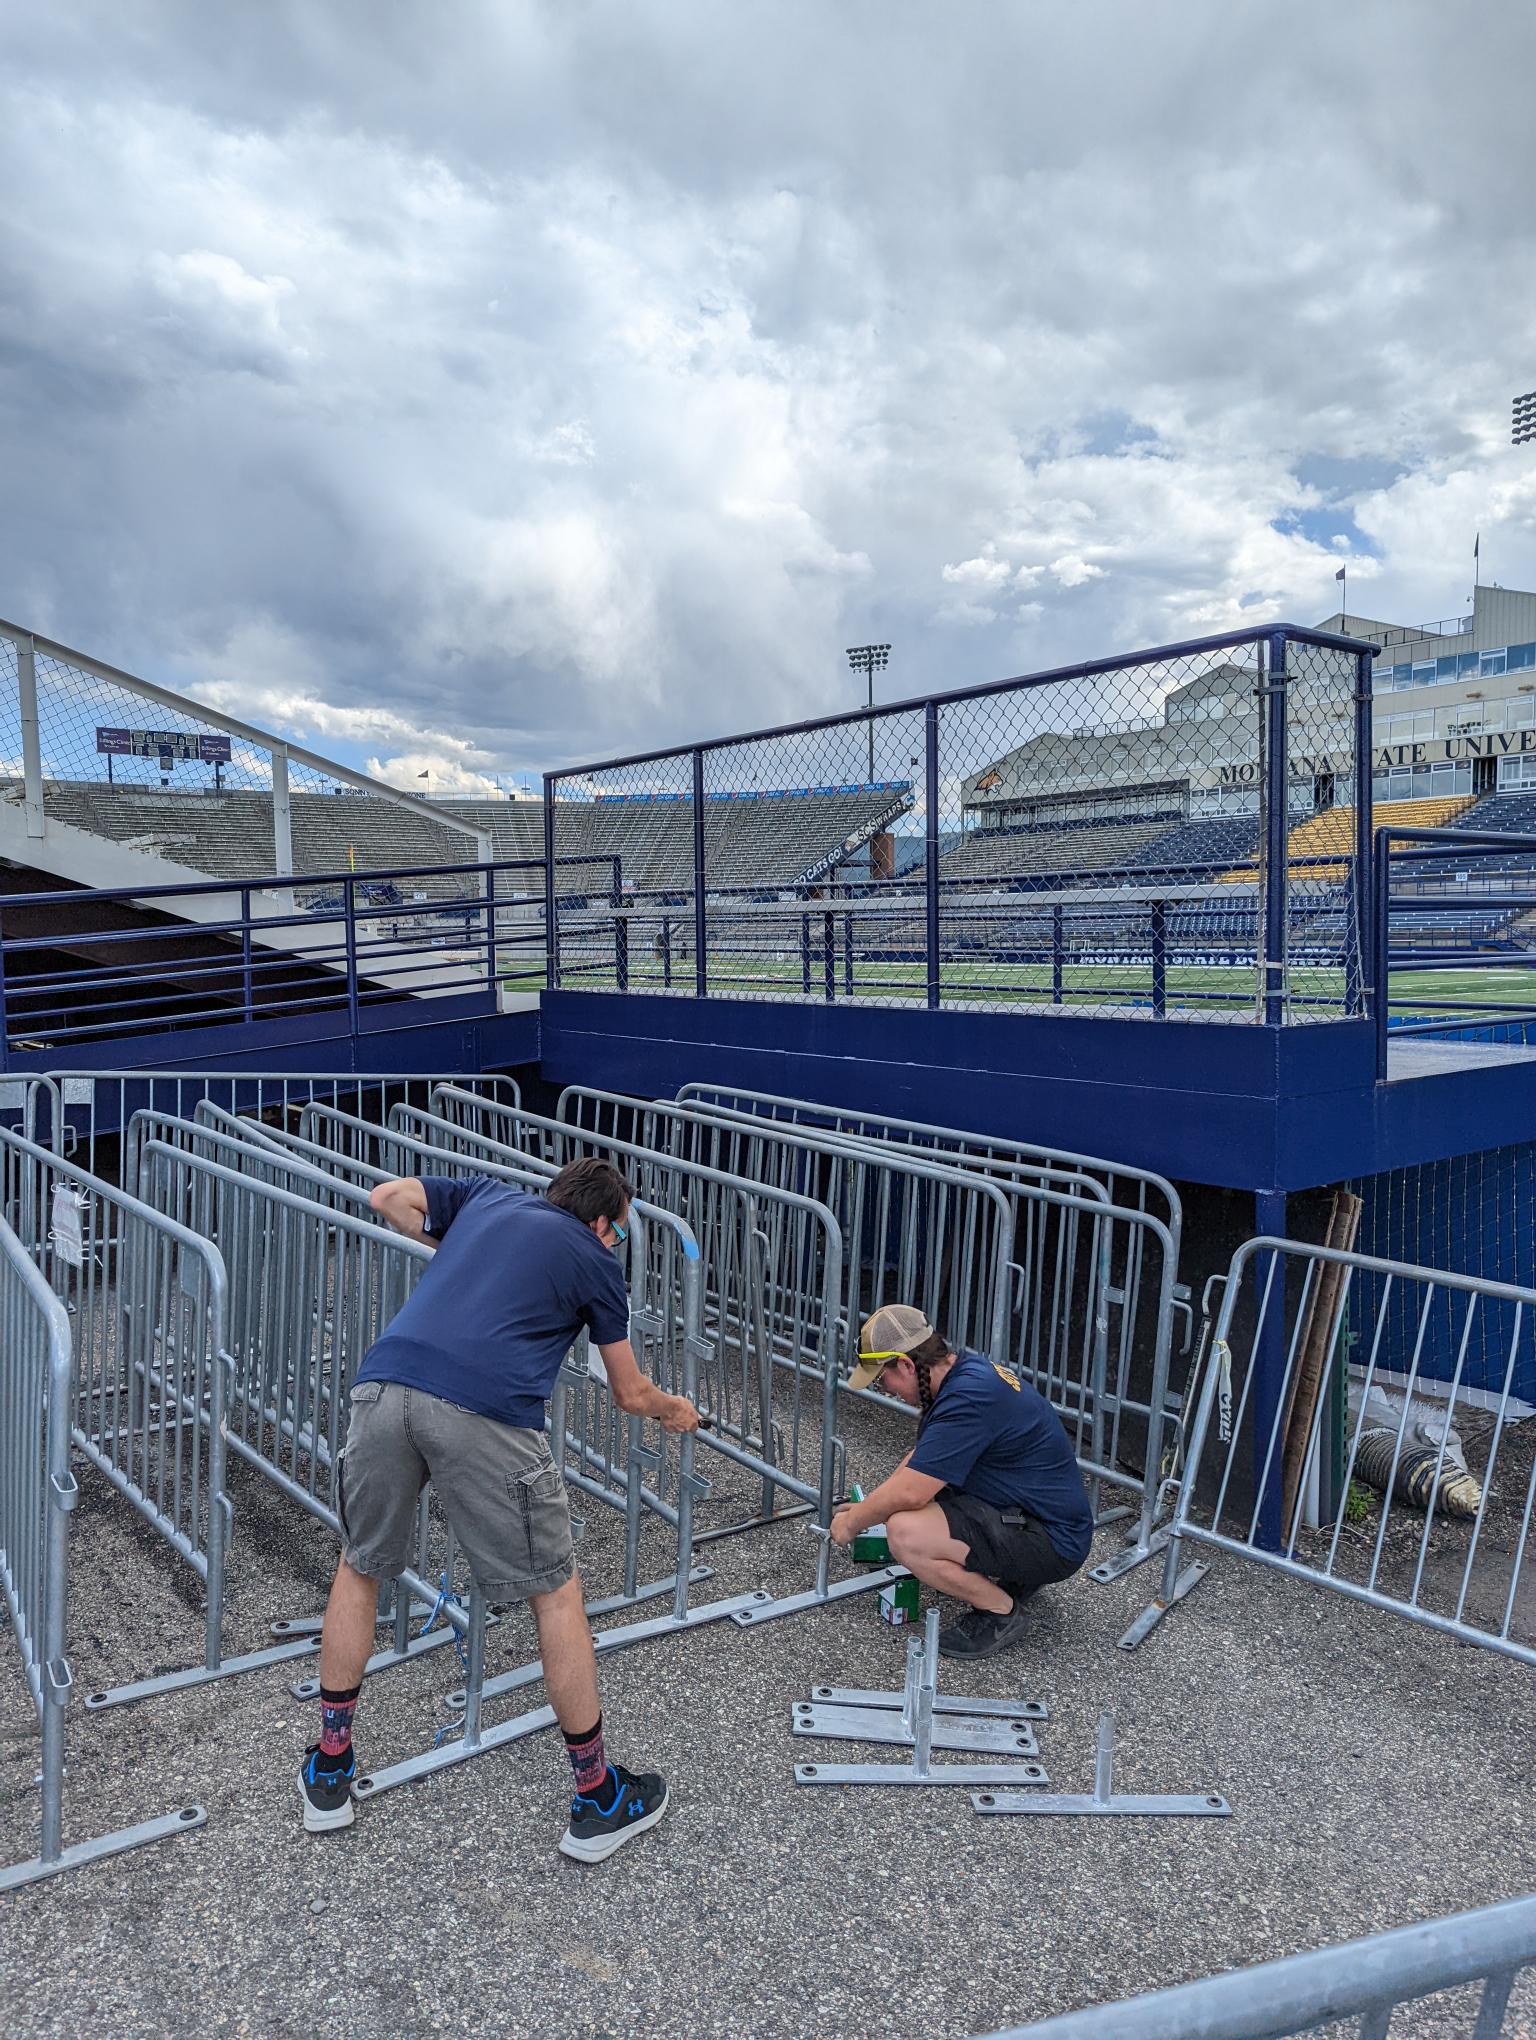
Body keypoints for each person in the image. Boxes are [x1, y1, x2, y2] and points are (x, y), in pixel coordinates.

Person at [297, 1154, 700, 1861]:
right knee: (555, 1593)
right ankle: (598, 1796)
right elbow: (629, 1392)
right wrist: (677, 1411)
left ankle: (329, 1769)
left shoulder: (485, 1200)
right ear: (603, 1222)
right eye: (620, 1233)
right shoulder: (595, 1258)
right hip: (483, 1409)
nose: (616, 1244)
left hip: (383, 1385)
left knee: (359, 1568)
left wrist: (464, 1255)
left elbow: (388, 1196)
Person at [830, 1304, 1093, 1659]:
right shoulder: (963, 1374)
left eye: (881, 1379)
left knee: (906, 1534)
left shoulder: (970, 1397)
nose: (885, 1389)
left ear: (906, 1365)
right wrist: (868, 1506)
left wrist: (854, 1523)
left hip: (1055, 1540)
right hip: (1038, 1517)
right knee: (911, 1509)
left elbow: (911, 1490)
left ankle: (1000, 1612)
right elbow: (921, 1460)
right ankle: (1015, 1574)